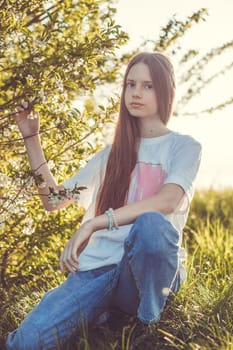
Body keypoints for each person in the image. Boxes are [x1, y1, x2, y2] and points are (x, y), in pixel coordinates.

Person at [6, 52, 202, 350]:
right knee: (25, 343)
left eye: (148, 86)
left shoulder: (184, 147)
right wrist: (31, 138)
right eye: (131, 84)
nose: (136, 93)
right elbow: (54, 200)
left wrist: (97, 222)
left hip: (149, 275)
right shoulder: (110, 155)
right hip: (96, 271)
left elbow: (168, 201)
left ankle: (147, 324)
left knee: (151, 225)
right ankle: (107, 312)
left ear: (166, 90)